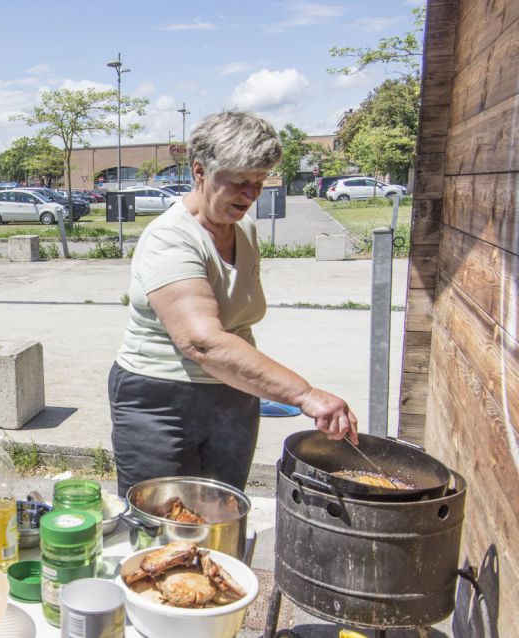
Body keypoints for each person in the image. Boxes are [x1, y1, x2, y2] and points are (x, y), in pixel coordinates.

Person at [109, 110, 357, 497]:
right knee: (162, 525)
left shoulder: (243, 227)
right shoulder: (170, 238)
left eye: (259, 181)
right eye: (239, 181)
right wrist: (304, 394)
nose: (251, 194)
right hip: (161, 403)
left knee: (223, 510)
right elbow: (202, 342)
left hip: (233, 397)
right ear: (200, 171)